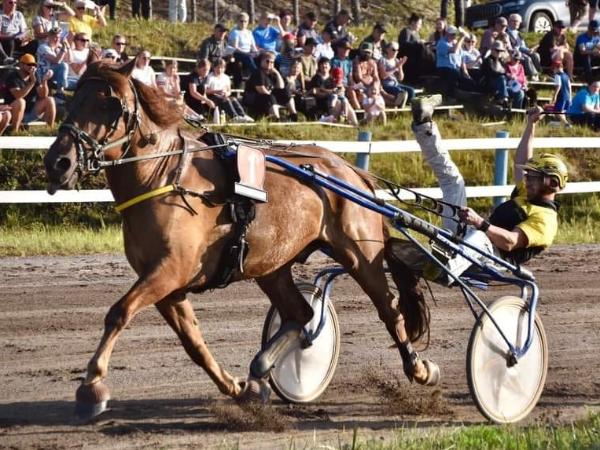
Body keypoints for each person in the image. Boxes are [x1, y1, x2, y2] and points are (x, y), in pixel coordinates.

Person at [407, 94, 568, 282]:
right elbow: (521, 160)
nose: (526, 180)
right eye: (528, 175)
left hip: (493, 258)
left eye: (532, 177)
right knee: (454, 181)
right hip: (472, 242)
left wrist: (480, 223)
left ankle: (444, 270)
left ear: (552, 183)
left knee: (479, 237)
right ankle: (423, 124)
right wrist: (531, 124)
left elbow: (510, 242)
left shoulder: (546, 220)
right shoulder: (529, 193)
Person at [3, 53, 56, 131]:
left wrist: (44, 81)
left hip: (30, 112)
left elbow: (43, 95)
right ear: (21, 65)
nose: (32, 67)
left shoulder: (34, 75)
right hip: (13, 113)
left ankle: (50, 130)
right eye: (29, 64)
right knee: (21, 102)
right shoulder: (13, 77)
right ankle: (14, 131)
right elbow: (18, 95)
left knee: (50, 100)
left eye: (34, 65)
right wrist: (32, 83)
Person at [242, 51, 297, 121]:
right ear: (261, 61)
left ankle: (293, 115)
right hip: (252, 98)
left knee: (286, 92)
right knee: (271, 97)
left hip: (267, 98)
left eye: (272, 62)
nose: (269, 64)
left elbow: (281, 87)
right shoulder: (258, 72)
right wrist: (275, 101)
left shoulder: (272, 73)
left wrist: (277, 73)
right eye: (267, 61)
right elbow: (261, 90)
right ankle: (276, 119)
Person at [205, 57, 253, 123]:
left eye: (222, 68)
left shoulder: (226, 77)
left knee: (233, 99)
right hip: (212, 96)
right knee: (226, 100)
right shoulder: (210, 77)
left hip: (223, 96)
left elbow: (229, 91)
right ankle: (234, 117)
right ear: (214, 68)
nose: (220, 70)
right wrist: (217, 91)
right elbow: (206, 91)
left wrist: (226, 93)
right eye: (218, 67)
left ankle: (242, 115)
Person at [36, 27, 70, 101]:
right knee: (63, 65)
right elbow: (56, 61)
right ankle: (60, 92)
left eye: (59, 37)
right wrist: (63, 49)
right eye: (55, 37)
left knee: (77, 80)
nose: (57, 39)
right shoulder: (43, 47)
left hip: (55, 73)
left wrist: (68, 47)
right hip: (44, 73)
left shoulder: (59, 48)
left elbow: (69, 60)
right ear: (49, 37)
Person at [378, 41, 413, 107]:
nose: (396, 52)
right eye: (393, 50)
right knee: (400, 92)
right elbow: (383, 76)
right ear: (387, 49)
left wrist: (400, 67)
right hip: (386, 85)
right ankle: (399, 105)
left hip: (396, 84)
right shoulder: (383, 60)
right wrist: (395, 68)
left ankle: (406, 104)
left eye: (397, 50)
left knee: (411, 91)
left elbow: (400, 78)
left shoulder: (396, 61)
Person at [228, 12, 258, 88]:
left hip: (248, 54)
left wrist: (257, 53)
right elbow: (235, 47)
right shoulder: (235, 32)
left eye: (245, 21)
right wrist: (246, 53)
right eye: (241, 21)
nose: (243, 23)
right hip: (237, 53)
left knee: (262, 57)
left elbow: (253, 46)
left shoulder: (249, 32)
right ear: (237, 21)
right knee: (248, 57)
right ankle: (258, 75)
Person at [506, 13, 541, 79]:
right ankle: (532, 75)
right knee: (527, 58)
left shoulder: (518, 33)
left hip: (522, 51)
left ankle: (539, 73)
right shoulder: (507, 33)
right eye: (515, 21)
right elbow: (511, 47)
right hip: (514, 53)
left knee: (536, 55)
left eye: (518, 22)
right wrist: (522, 50)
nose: (517, 23)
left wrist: (528, 50)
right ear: (510, 21)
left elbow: (522, 46)